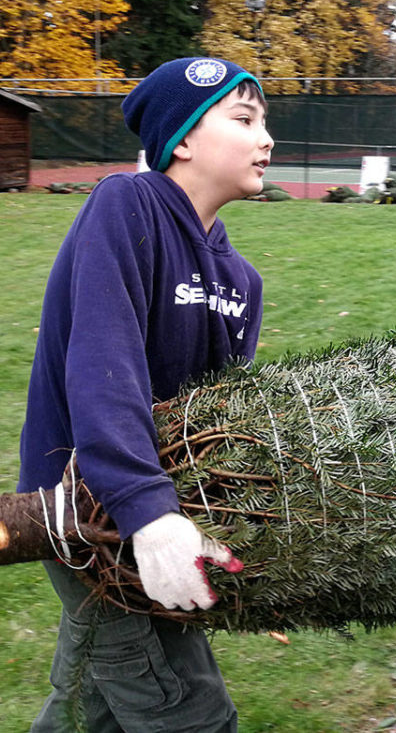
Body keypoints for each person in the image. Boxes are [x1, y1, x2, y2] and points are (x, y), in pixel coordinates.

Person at [18, 57, 273, 732]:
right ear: (183, 138)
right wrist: (148, 512)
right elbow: (105, 361)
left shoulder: (243, 282)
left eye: (264, 121)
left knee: (88, 712)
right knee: (192, 718)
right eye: (244, 118)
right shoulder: (127, 205)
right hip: (90, 520)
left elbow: (215, 423)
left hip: (155, 521)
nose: (266, 138)